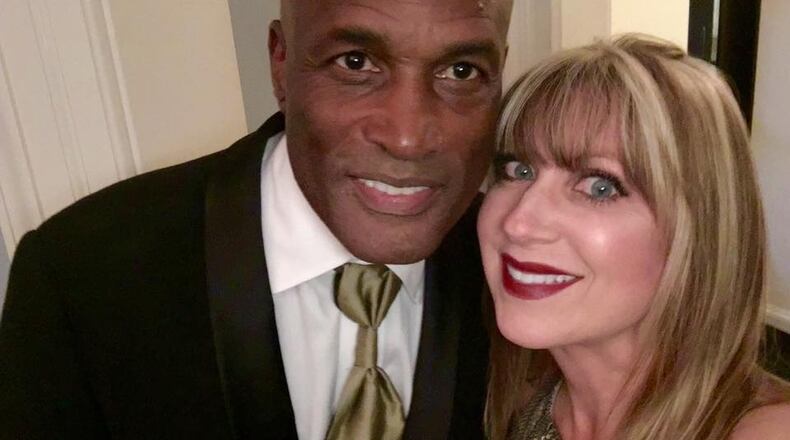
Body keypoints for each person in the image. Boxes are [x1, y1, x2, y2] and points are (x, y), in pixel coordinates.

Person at [0, 1, 513, 438]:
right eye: (355, 62)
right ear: (280, 62)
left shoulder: (519, 268)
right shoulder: (79, 273)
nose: (407, 138)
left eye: (461, 71)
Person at [478, 35, 790, 440]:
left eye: (600, 187)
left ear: (699, 233)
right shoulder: (522, 401)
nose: (518, 223)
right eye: (518, 170)